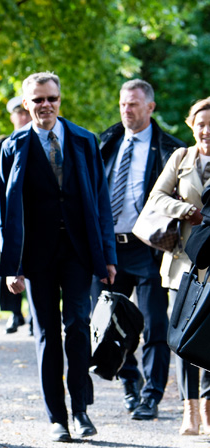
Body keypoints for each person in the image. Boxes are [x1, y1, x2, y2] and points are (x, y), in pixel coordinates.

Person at [0, 72, 117, 443]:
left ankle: (81, 410)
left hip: (79, 251)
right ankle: (57, 417)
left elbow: (100, 201)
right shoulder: (13, 146)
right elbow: (6, 213)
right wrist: (11, 267)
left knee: (78, 327)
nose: (45, 106)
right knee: (47, 334)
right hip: (36, 256)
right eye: (37, 100)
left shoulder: (83, 140)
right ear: (26, 104)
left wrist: (108, 256)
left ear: (60, 100)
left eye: (51, 99)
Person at [97, 80, 186, 420]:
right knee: (110, 324)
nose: (126, 110)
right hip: (110, 249)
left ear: (150, 107)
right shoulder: (105, 143)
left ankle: (152, 395)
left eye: (133, 104)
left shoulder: (170, 150)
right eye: (122, 104)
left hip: (149, 250)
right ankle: (130, 385)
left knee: (154, 326)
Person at [142, 96, 210, 435]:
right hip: (183, 264)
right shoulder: (180, 158)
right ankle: (190, 411)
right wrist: (186, 211)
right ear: (191, 126)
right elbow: (157, 197)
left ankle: (209, 411)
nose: (207, 131)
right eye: (201, 124)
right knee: (184, 337)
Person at [0, 96, 32, 335]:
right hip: (12, 218)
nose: (23, 117)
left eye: (25, 113)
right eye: (19, 114)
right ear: (13, 117)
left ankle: (35, 315)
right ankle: (16, 314)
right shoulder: (4, 144)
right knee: (11, 265)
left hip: (33, 218)